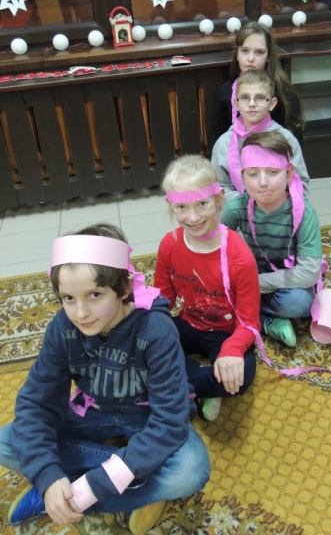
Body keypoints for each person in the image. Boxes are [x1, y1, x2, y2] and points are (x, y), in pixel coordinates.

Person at [0, 223, 210, 533]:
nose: (80, 313)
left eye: (95, 295)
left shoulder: (156, 330)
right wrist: (48, 476)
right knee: (6, 442)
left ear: (124, 289)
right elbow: (36, 404)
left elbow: (169, 421)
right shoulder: (63, 327)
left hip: (147, 419)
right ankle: (138, 484)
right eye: (68, 298)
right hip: (91, 412)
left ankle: (71, 493)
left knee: (190, 471)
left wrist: (90, 489)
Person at [154, 155, 260, 422]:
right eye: (181, 207)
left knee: (243, 376)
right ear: (170, 205)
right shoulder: (169, 244)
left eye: (202, 204)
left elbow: (249, 323)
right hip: (188, 324)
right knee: (138, 339)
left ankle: (173, 383)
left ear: (218, 199)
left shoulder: (239, 256)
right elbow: (162, 300)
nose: (193, 218)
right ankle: (201, 384)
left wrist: (232, 350)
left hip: (226, 332)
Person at [221, 131, 322, 348]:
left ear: (289, 173)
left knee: (300, 303)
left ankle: (253, 315)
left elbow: (309, 272)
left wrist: (256, 284)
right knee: (213, 288)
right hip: (250, 273)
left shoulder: (305, 214)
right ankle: (261, 317)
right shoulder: (236, 207)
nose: (263, 182)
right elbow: (216, 249)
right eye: (253, 174)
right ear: (242, 176)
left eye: (273, 172)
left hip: (286, 280)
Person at [211, 68, 309, 201]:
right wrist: (249, 203)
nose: (252, 104)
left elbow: (300, 183)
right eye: (245, 98)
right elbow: (220, 188)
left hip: (280, 208)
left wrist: (274, 204)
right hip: (239, 210)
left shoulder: (286, 139)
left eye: (260, 98)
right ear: (236, 103)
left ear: (272, 104)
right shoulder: (224, 144)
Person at [210, 21, 304, 146]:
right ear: (237, 54)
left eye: (259, 52)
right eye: (245, 51)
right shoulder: (225, 92)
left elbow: (295, 143)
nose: (250, 59)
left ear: (268, 57)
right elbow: (216, 143)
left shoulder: (283, 93)